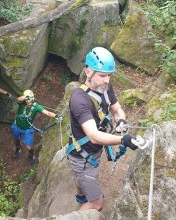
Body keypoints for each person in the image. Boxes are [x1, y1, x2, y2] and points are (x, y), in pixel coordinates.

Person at [66, 47, 141, 211]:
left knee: (81, 179)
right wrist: (123, 139)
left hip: (92, 150)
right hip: (83, 156)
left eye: (109, 75)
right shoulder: (79, 100)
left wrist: (121, 120)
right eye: (101, 75)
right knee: (97, 204)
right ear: (88, 72)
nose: (107, 80)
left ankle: (81, 195)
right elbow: (93, 136)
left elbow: (116, 109)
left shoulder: (105, 88)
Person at [11, 89, 59, 165]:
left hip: (27, 129)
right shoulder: (22, 103)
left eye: (29, 100)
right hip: (17, 126)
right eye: (26, 100)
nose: (27, 102)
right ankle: (18, 148)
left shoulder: (36, 107)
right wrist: (25, 97)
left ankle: (31, 155)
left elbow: (47, 113)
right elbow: (19, 99)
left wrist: (56, 116)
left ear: (32, 98)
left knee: (28, 146)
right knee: (16, 140)